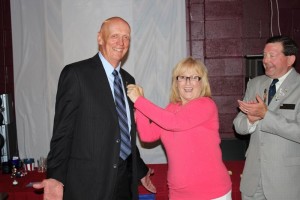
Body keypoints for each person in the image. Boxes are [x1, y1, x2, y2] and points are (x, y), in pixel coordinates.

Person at [33, 16, 156, 200]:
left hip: (124, 186)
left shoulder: (129, 80)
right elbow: (62, 133)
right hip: (88, 187)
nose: (121, 43)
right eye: (114, 36)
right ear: (100, 38)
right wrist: (55, 177)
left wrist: (140, 169)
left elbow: (124, 134)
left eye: (126, 37)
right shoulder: (76, 74)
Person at [127, 57, 232, 200]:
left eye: (194, 77)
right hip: (178, 192)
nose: (188, 82)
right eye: (182, 77)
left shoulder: (206, 104)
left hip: (211, 192)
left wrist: (140, 101)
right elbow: (147, 135)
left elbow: (174, 122)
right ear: (176, 83)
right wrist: (139, 107)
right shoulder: (172, 108)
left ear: (202, 83)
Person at [233, 35, 300, 200]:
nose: (265, 60)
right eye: (264, 55)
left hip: (285, 182)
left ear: (290, 59)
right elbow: (238, 125)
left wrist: (266, 116)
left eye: (272, 55)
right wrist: (249, 121)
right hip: (253, 178)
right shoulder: (255, 83)